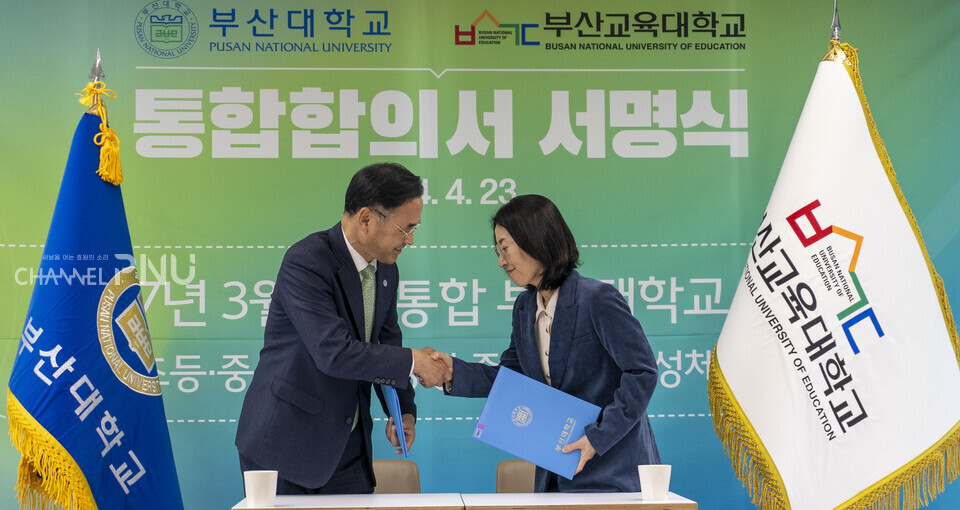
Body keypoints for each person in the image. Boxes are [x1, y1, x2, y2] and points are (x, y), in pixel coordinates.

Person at [235, 162, 447, 495]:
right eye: (405, 228)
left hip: (349, 448)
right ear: (366, 218)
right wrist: (415, 362)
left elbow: (388, 342)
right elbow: (333, 353)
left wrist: (404, 410)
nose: (410, 240)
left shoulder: (386, 271)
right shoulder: (307, 261)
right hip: (285, 445)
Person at [433, 194, 661, 492]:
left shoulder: (597, 299)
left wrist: (598, 436)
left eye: (504, 248)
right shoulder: (524, 308)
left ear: (535, 241)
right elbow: (511, 377)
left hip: (613, 472)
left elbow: (642, 372)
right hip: (555, 476)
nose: (501, 261)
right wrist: (452, 373)